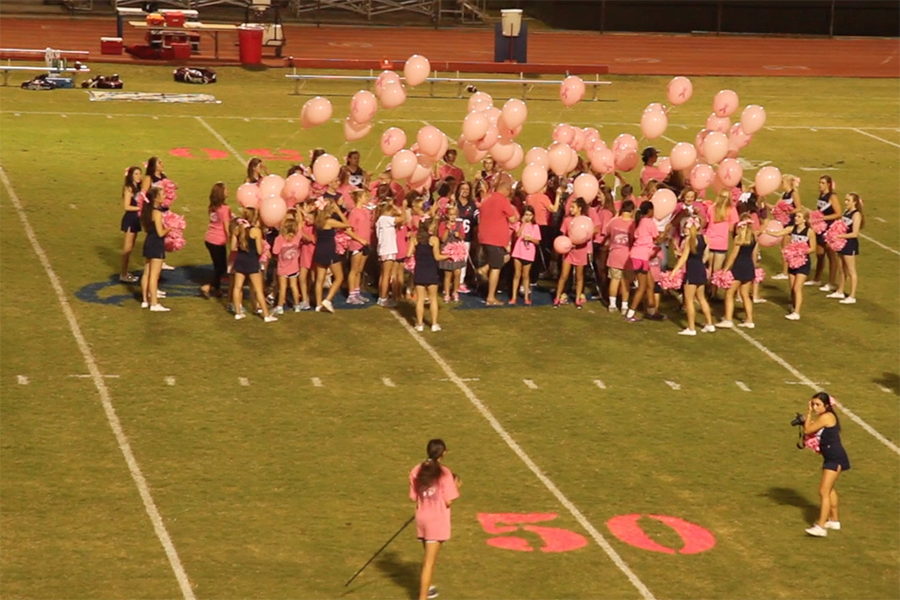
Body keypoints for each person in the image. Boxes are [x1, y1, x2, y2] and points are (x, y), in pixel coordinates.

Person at [409, 439, 460, 600]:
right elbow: (449, 500)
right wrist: (457, 485)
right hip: (436, 520)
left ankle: (428, 588)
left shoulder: (417, 469)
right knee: (429, 563)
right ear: (443, 453)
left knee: (428, 558)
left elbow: (413, 497)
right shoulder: (445, 473)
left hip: (422, 517)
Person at [802, 392, 850, 537]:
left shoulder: (827, 417)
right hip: (832, 457)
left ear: (826, 406)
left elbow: (808, 429)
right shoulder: (825, 417)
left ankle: (821, 527)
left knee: (823, 491)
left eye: (817, 405)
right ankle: (834, 520)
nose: (815, 407)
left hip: (834, 458)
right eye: (813, 404)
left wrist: (808, 413)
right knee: (829, 489)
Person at [477, 177, 518, 306]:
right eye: (509, 191)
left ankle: (484, 269)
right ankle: (490, 297)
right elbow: (513, 219)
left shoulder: (487, 199)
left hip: (484, 237)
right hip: (495, 239)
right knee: (496, 267)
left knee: (503, 258)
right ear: (505, 190)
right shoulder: (502, 201)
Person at [671, 217, 715, 335]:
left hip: (691, 271)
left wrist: (674, 271)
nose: (684, 230)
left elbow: (684, 258)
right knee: (701, 298)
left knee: (689, 300)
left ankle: (691, 328)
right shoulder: (705, 238)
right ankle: (709, 324)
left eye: (686, 228)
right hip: (701, 269)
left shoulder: (689, 241)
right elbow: (706, 255)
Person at [231, 207, 277, 322]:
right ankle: (266, 315)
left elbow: (232, 247)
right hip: (252, 261)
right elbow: (259, 251)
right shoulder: (256, 231)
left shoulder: (237, 229)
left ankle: (238, 312)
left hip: (240, 260)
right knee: (258, 289)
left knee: (237, 287)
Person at [313, 199, 356, 313]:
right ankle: (327, 300)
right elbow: (347, 225)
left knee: (319, 279)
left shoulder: (317, 221)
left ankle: (318, 304)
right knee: (339, 277)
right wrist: (340, 212)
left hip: (319, 250)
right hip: (329, 250)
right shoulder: (329, 221)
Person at [773, 209, 816, 321]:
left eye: (799, 217)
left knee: (797, 288)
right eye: (796, 216)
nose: (796, 218)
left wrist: (800, 251)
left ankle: (797, 312)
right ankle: (794, 307)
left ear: (805, 219)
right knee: (792, 288)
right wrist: (765, 232)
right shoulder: (792, 229)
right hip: (792, 262)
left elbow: (813, 248)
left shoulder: (809, 232)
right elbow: (778, 233)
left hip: (803, 262)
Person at [716, 215, 758, 329]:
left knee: (729, 293)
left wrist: (725, 269)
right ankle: (749, 320)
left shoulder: (739, 238)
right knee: (745, 295)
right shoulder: (754, 237)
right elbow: (754, 254)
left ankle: (728, 319)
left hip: (739, 267)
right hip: (749, 267)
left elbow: (733, 256)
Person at [410, 220, 450, 332]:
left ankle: (419, 324)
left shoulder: (414, 239)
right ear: (429, 228)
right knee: (433, 299)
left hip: (419, 270)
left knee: (420, 299)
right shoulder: (434, 240)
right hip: (431, 270)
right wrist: (448, 256)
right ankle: (434, 324)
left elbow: (409, 254)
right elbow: (437, 257)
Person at [828, 192, 864, 304]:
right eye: (845, 200)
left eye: (848, 200)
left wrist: (838, 236)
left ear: (854, 202)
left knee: (851, 270)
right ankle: (840, 291)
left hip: (850, 244)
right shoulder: (846, 212)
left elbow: (854, 233)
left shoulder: (856, 214)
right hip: (842, 243)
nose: (845, 202)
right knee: (841, 268)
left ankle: (852, 296)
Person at [624, 201, 657, 322]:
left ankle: (651, 309)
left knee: (650, 282)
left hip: (638, 255)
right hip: (641, 257)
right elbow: (657, 236)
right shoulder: (649, 222)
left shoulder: (640, 222)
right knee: (642, 287)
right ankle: (630, 313)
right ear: (650, 211)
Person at [554, 198, 590, 308]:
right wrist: (568, 243)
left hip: (581, 251)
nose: (571, 209)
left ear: (579, 208)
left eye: (573, 207)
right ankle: (557, 297)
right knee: (564, 275)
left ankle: (578, 298)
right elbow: (563, 234)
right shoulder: (567, 220)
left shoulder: (586, 220)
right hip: (569, 251)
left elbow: (588, 235)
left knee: (579, 276)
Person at [139, 188, 170, 312]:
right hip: (157, 244)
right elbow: (160, 233)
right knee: (154, 275)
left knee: (146, 273)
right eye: (162, 195)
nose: (164, 196)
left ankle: (145, 301)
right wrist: (170, 229)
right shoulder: (157, 213)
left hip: (148, 242)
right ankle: (154, 304)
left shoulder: (147, 211)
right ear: (156, 198)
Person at [200, 182, 232, 299]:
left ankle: (217, 290)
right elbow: (226, 226)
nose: (228, 191)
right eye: (226, 190)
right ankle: (208, 287)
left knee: (217, 266)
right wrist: (231, 240)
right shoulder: (225, 209)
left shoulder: (212, 207)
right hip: (218, 241)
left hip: (209, 239)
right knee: (222, 267)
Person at [810, 175, 842, 291]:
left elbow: (838, 213)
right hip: (820, 227)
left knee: (831, 255)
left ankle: (831, 282)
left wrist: (823, 218)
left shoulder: (832, 196)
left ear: (828, 184)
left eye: (823, 183)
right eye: (819, 182)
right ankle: (817, 279)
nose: (820, 185)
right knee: (819, 254)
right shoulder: (821, 195)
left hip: (829, 228)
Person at [605, 200, 635, 314]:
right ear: (632, 210)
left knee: (614, 280)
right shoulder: (633, 224)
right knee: (625, 282)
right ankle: (624, 306)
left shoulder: (614, 221)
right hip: (627, 256)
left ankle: (612, 304)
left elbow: (607, 232)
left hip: (614, 255)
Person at [375, 202, 406, 307]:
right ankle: (383, 298)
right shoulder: (385, 219)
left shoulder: (381, 220)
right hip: (388, 249)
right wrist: (403, 207)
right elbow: (402, 219)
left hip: (383, 249)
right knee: (387, 276)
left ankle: (381, 296)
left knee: (383, 274)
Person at [271, 210, 302, 315]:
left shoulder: (279, 239)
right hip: (294, 267)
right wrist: (298, 213)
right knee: (294, 286)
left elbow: (275, 251)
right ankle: (297, 305)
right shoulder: (297, 237)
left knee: (283, 287)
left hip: (283, 268)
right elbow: (300, 226)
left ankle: (280, 307)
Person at [346, 189, 374, 305]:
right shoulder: (354, 213)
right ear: (358, 198)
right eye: (364, 197)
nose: (366, 199)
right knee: (354, 269)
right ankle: (351, 294)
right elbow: (348, 230)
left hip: (366, 244)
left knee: (360, 270)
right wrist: (359, 239)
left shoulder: (365, 211)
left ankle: (357, 292)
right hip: (357, 244)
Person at [773, 174, 802, 280]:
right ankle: (786, 271)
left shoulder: (793, 194)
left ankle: (785, 272)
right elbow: (775, 207)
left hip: (791, 223)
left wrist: (787, 212)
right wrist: (764, 203)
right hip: (784, 223)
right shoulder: (784, 194)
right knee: (784, 247)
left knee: (786, 247)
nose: (781, 184)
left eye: (782, 182)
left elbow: (798, 208)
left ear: (788, 183)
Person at [510, 205, 540, 305]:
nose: (528, 217)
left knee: (526, 275)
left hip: (528, 253)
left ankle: (526, 296)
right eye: (526, 215)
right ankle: (514, 296)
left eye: (530, 215)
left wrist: (530, 239)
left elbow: (538, 241)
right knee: (516, 274)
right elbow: (517, 235)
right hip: (518, 252)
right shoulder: (519, 224)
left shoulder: (535, 226)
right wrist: (522, 224)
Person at [437, 203, 465, 303]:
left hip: (457, 251)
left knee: (457, 272)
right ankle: (447, 293)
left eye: (454, 215)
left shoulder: (459, 225)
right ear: (447, 215)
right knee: (447, 274)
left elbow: (463, 237)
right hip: (447, 250)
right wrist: (447, 229)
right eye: (450, 214)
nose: (452, 217)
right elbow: (443, 239)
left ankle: (455, 291)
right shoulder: (442, 225)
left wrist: (459, 235)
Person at [119, 166, 143, 283]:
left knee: (130, 248)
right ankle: (123, 274)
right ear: (131, 176)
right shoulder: (129, 188)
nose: (139, 176)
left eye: (140, 174)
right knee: (127, 248)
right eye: (136, 174)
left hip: (136, 219)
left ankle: (125, 272)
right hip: (130, 219)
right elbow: (126, 206)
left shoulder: (138, 187)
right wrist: (141, 207)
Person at [454, 182, 477, 293]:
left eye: (467, 189)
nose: (465, 191)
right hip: (453, 237)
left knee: (463, 261)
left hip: (467, 237)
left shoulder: (472, 204)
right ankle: (451, 282)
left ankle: (460, 282)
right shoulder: (455, 203)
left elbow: (476, 219)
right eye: (462, 188)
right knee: (452, 260)